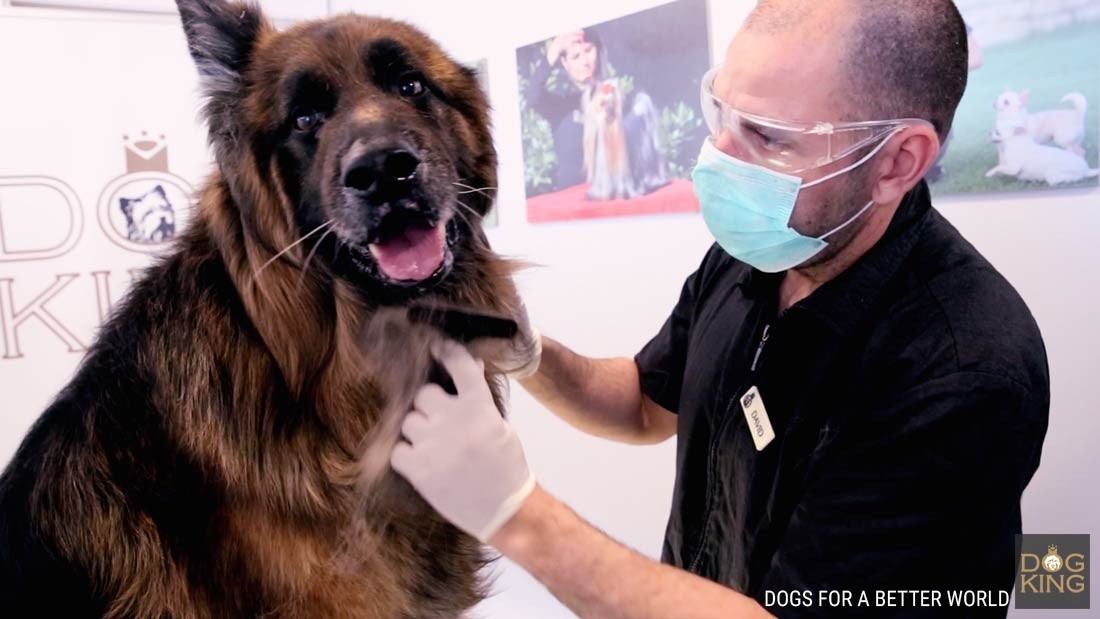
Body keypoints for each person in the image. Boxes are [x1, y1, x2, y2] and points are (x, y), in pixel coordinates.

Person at [391, 1, 1050, 617]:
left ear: (898, 161)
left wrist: (515, 513)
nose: (717, 158)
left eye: (768, 136)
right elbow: (647, 404)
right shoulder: (759, 253)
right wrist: (532, 355)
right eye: (721, 112)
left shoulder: (964, 371)